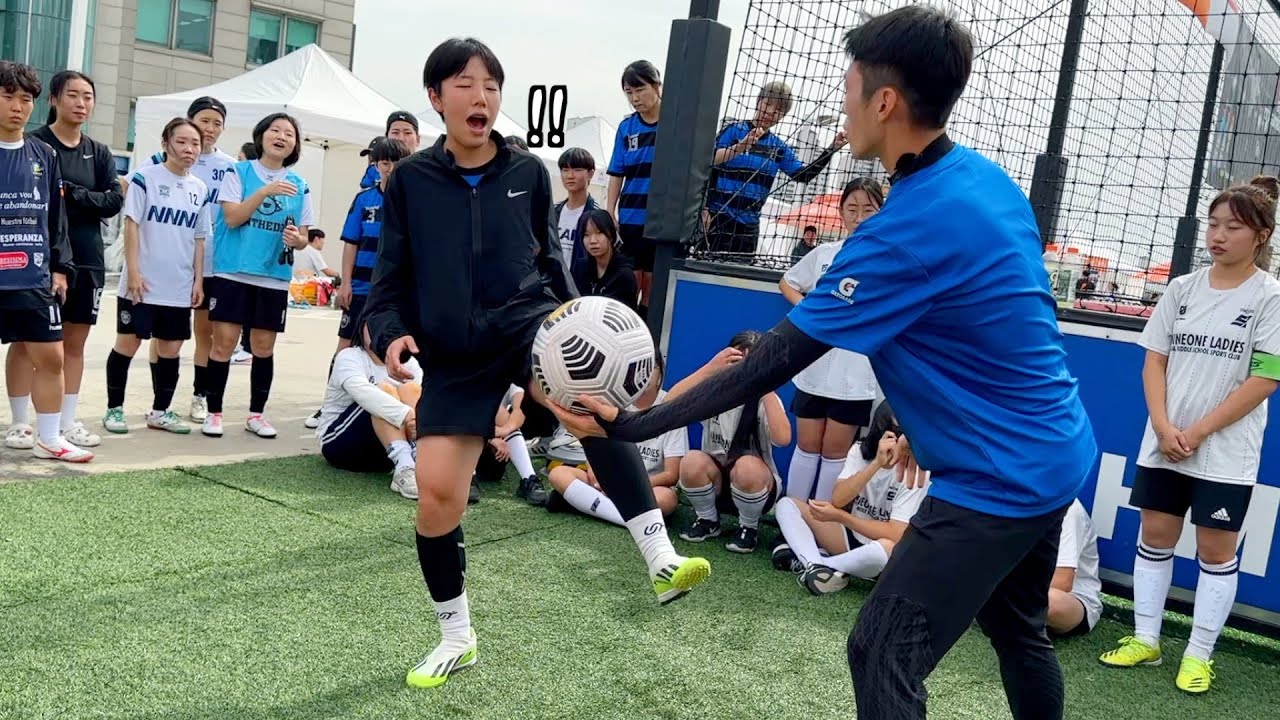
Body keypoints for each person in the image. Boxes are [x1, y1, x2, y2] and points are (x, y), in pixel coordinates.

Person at [552, 8, 1098, 720]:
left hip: (1000, 476)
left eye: (848, 88)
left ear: (884, 101)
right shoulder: (988, 183)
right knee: (1018, 631)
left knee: (880, 652)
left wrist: (633, 424)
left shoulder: (902, 230)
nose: (842, 104)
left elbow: (766, 364)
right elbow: (1003, 324)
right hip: (1058, 448)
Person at [362, 37, 710, 690]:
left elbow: (551, 261)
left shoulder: (527, 172)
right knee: (437, 496)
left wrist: (580, 319)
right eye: (466, 84)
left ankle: (661, 558)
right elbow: (389, 277)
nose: (482, 96)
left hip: (526, 323)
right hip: (454, 352)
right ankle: (456, 637)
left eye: (492, 85)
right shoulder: (410, 180)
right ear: (436, 98)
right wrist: (390, 333)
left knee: (585, 406)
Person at [1098, 176, 1280, 694]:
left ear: (1261, 235)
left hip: (1224, 452)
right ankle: (1146, 639)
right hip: (1165, 442)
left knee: (1216, 552)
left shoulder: (1270, 297)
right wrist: (1163, 426)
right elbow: (1154, 360)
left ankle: (1199, 655)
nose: (1218, 236)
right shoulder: (1181, 288)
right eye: (1213, 224)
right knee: (1155, 536)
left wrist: (1198, 432)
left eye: (1233, 227)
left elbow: (1267, 377)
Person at [5, 70, 122, 451]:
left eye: (88, 96)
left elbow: (112, 201)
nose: (81, 103)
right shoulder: (37, 143)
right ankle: (20, 422)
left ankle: (64, 424)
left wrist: (74, 194)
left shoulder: (95, 152)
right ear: (54, 99)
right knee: (25, 344)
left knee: (70, 344)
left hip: (80, 260)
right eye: (73, 94)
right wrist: (84, 196)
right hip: (30, 264)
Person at [0, 61, 91, 462]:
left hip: (32, 276)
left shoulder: (44, 154)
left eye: (25, 99)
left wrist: (60, 267)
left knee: (52, 358)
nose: (18, 107)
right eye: (8, 97)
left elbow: (56, 218)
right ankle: (19, 423)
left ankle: (50, 438)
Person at [202, 112, 314, 439]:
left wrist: (297, 240)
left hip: (273, 276)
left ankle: (256, 415)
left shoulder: (300, 185)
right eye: (275, 130)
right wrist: (265, 192)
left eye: (289, 134)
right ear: (261, 135)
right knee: (223, 344)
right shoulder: (238, 172)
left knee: (263, 348)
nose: (281, 137)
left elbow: (304, 236)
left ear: (295, 145)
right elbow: (232, 218)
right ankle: (214, 413)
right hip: (233, 272)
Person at [102, 118, 211, 435]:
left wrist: (198, 281)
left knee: (171, 349)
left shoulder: (200, 189)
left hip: (178, 286)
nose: (189, 149)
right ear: (165, 143)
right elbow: (131, 225)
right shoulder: (145, 178)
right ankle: (114, 410)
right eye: (182, 141)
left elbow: (199, 239)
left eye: (195, 143)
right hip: (142, 284)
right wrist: (133, 272)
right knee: (128, 344)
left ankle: (160, 411)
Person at [779, 178, 882, 503]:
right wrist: (807, 310)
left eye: (868, 209)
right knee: (807, 447)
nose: (859, 216)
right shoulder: (824, 254)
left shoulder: (889, 260)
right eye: (852, 208)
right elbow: (787, 282)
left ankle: (820, 522)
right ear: (841, 212)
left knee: (835, 452)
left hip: (855, 374)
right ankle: (792, 516)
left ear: (882, 212)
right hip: (813, 366)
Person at [136, 97, 237, 422]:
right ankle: (160, 402)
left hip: (210, 262)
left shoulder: (230, 166)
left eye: (217, 123)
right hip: (167, 264)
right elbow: (131, 188)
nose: (209, 129)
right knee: (162, 335)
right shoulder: (159, 160)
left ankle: (199, 395)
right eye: (204, 121)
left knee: (205, 332)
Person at [305, 137, 409, 430]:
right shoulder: (364, 200)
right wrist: (346, 284)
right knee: (345, 346)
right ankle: (329, 406)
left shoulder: (415, 201)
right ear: (376, 165)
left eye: (397, 163)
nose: (390, 168)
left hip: (397, 292)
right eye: (385, 163)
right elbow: (351, 243)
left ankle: (397, 405)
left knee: (395, 348)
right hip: (362, 287)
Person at [774, 403, 925, 594]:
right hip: (850, 538)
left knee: (884, 548)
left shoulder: (917, 470)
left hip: (884, 551)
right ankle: (815, 565)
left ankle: (825, 564)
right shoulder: (861, 449)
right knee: (787, 505)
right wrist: (876, 464)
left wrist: (842, 518)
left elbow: (895, 533)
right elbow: (838, 499)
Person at [673, 331, 790, 553]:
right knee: (691, 461)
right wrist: (710, 369)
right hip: (716, 484)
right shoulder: (716, 392)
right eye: (737, 360)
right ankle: (708, 520)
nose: (744, 369)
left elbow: (783, 439)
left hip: (756, 487)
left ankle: (749, 527)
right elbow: (671, 401)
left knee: (747, 466)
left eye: (752, 363)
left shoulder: (766, 398)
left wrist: (766, 385)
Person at [704, 81, 847, 256]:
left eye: (778, 110)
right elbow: (710, 161)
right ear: (758, 102)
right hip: (717, 218)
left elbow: (803, 175)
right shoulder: (734, 131)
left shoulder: (778, 147)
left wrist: (831, 149)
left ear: (783, 116)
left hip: (748, 229)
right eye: (768, 104)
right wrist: (740, 147)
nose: (771, 112)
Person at [547, 352, 684, 523]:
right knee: (558, 474)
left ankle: (586, 504)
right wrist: (596, 475)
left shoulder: (669, 409)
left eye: (651, 367)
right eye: (639, 368)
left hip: (648, 486)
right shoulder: (615, 401)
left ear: (661, 370)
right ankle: (622, 517)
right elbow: (594, 446)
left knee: (667, 499)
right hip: (609, 481)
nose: (645, 374)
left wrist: (636, 486)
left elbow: (671, 474)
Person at [316, 321, 422, 499]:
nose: (380, 330)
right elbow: (364, 394)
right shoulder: (349, 356)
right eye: (373, 323)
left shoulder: (409, 362)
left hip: (385, 450)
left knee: (411, 389)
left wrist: (419, 423)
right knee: (381, 393)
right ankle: (404, 466)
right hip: (341, 445)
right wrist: (409, 416)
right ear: (361, 327)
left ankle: (418, 459)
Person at [606, 60, 662, 318]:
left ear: (657, 86)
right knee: (630, 284)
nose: (634, 98)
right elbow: (616, 173)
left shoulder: (675, 123)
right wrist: (610, 211)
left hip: (662, 221)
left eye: (639, 90)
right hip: (630, 218)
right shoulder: (626, 128)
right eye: (629, 93)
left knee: (653, 287)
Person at [1049, 499, 1101, 640]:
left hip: (1073, 599)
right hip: (1019, 590)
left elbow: (1062, 582)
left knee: (1050, 601)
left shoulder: (1069, 510)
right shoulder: (1005, 499)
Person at [571, 209, 638, 310]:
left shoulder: (624, 274)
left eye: (599, 233)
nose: (593, 241)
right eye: (586, 235)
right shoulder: (580, 267)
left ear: (610, 235)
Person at [554, 147, 598, 272]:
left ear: (590, 174)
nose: (570, 175)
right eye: (565, 170)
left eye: (577, 170)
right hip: (553, 281)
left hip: (582, 281)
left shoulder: (598, 214)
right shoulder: (552, 211)